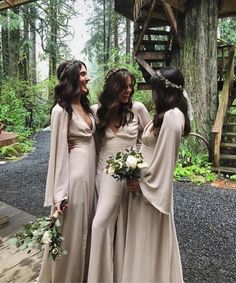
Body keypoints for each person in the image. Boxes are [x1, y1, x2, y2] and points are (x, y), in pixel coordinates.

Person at [123, 67, 191, 283]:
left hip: (150, 190)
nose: (152, 94)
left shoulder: (173, 117)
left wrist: (143, 185)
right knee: (141, 238)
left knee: (149, 239)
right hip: (142, 182)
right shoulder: (165, 115)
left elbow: (165, 162)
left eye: (154, 89)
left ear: (163, 90)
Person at [87, 67, 151, 282]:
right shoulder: (97, 111)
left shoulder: (138, 109)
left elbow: (150, 140)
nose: (128, 91)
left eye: (131, 87)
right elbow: (91, 142)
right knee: (101, 223)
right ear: (113, 87)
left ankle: (121, 274)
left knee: (121, 224)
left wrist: (138, 165)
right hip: (102, 173)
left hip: (126, 175)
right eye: (124, 86)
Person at [38, 60, 96, 283]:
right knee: (70, 234)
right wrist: (59, 195)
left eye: (86, 73)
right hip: (74, 181)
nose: (87, 78)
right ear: (71, 78)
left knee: (87, 228)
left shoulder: (87, 108)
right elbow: (59, 155)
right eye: (82, 74)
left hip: (91, 177)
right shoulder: (60, 111)